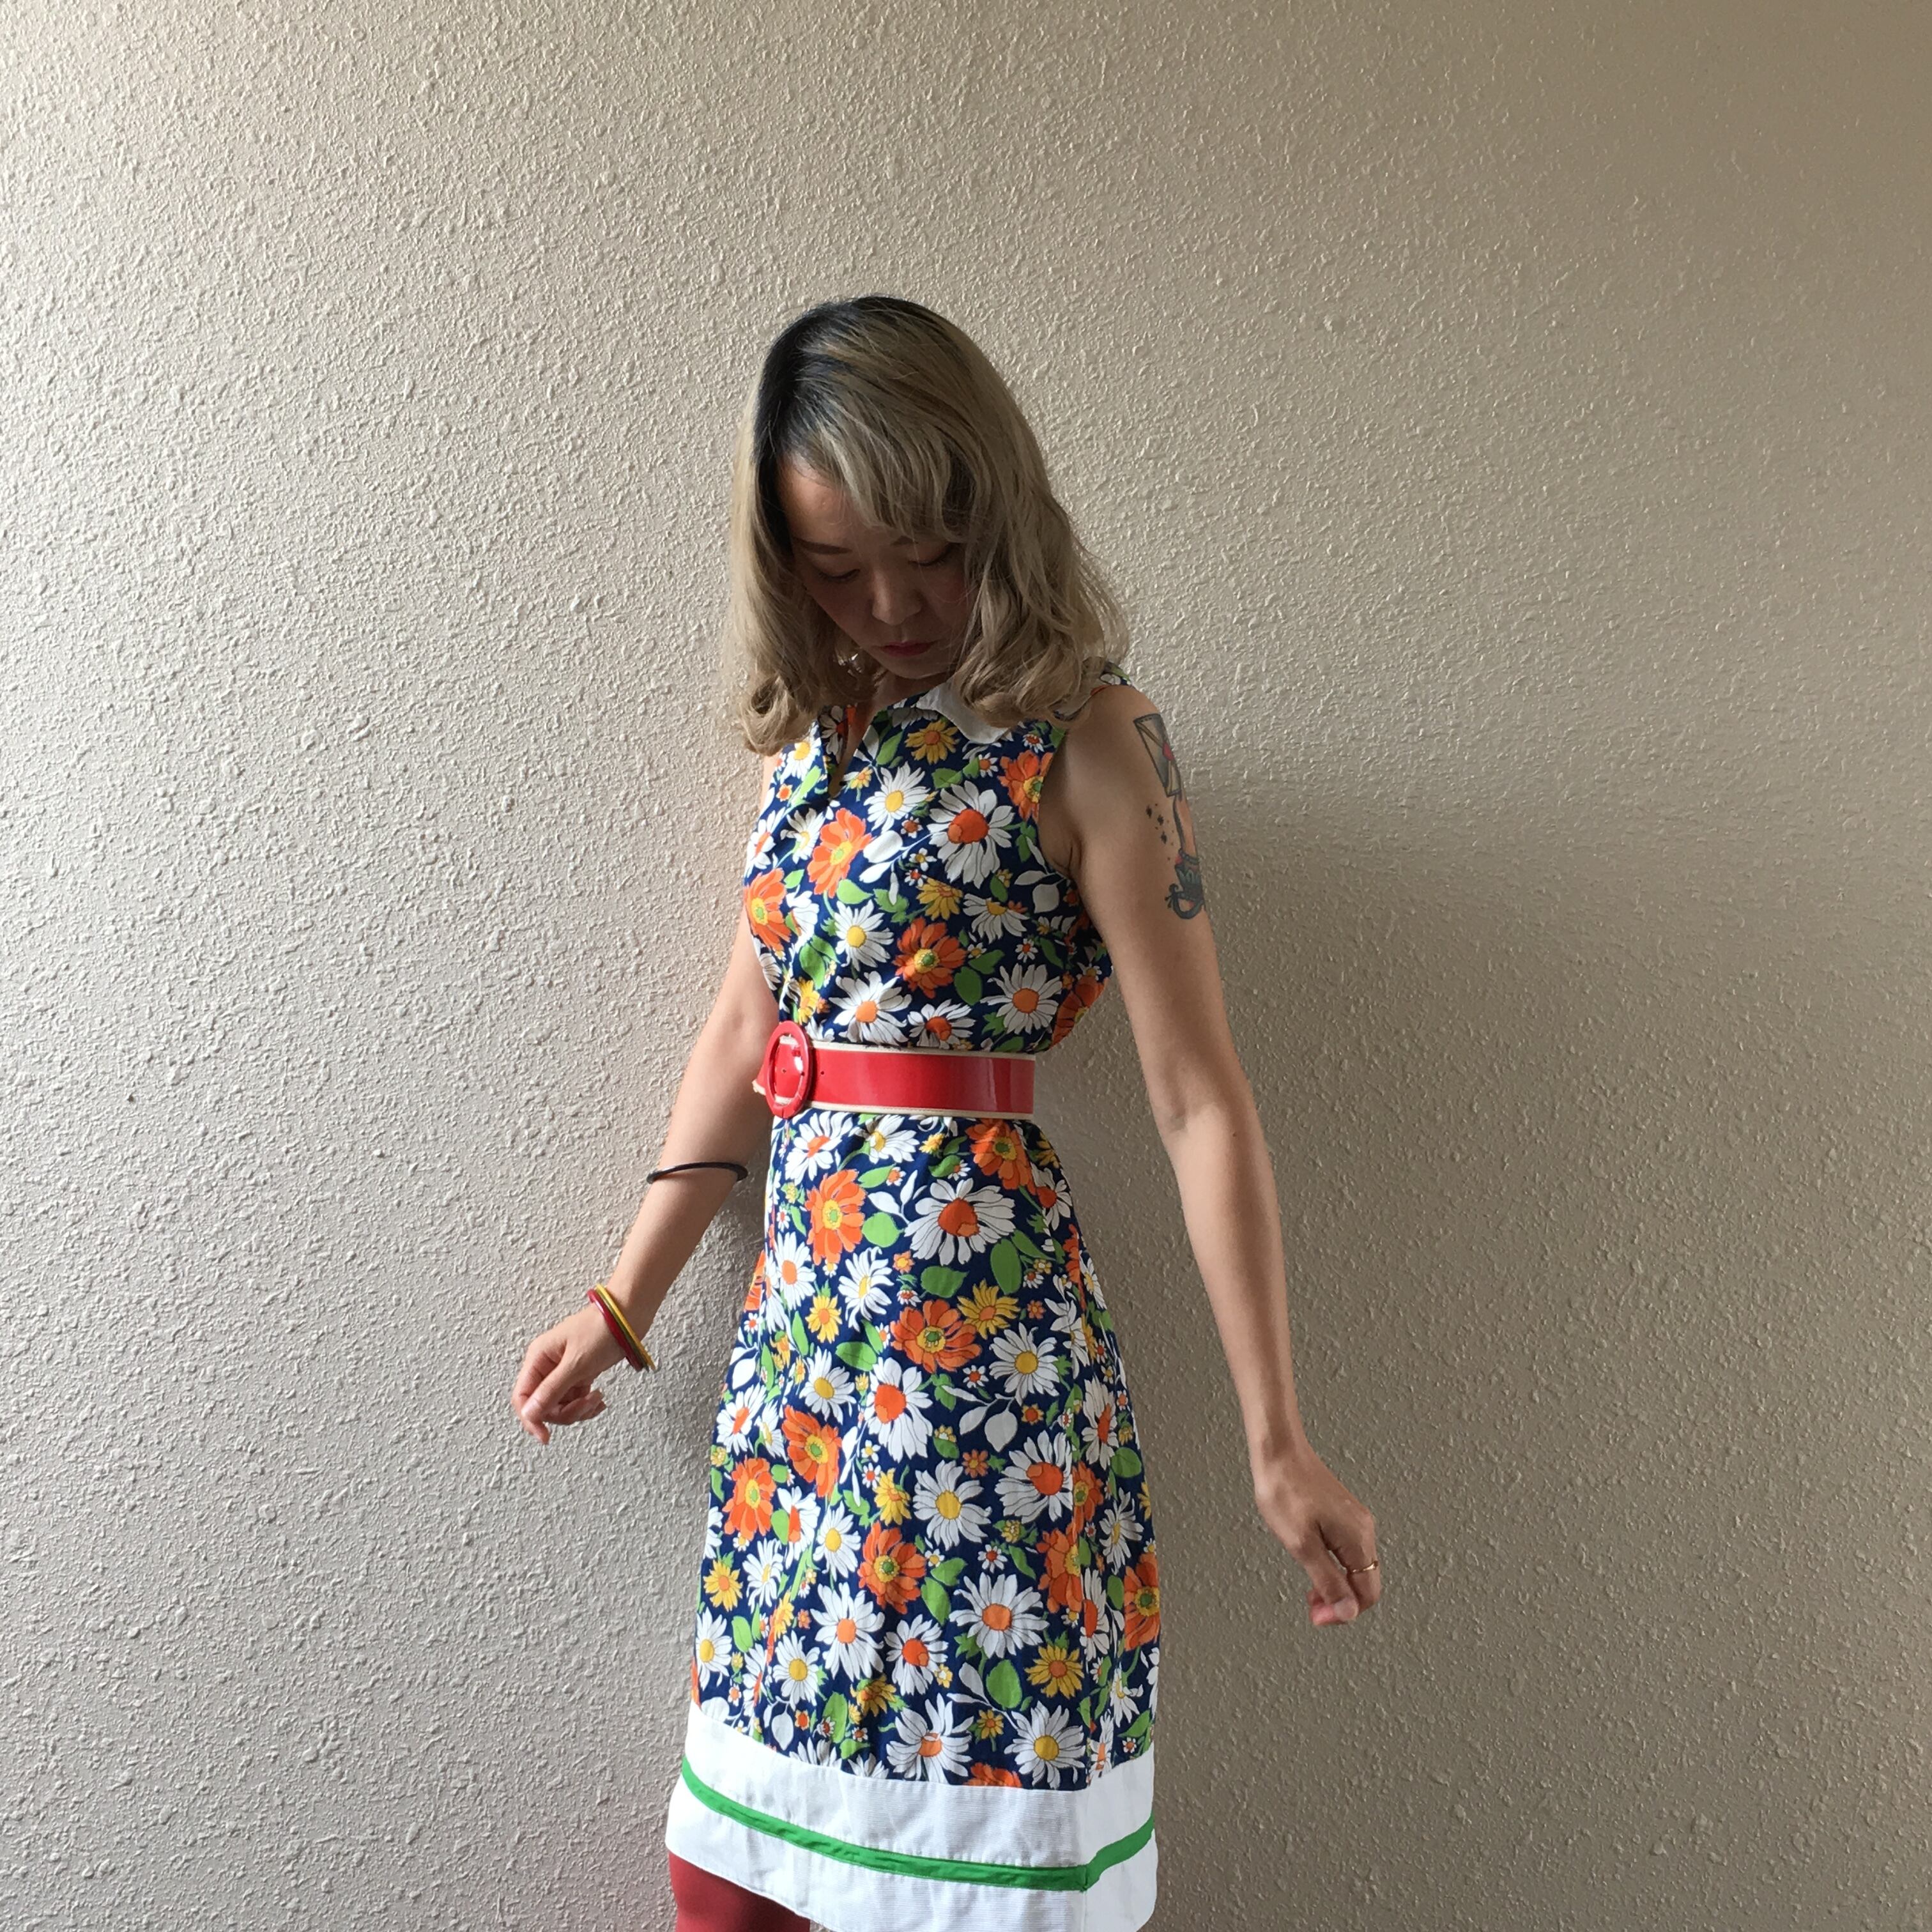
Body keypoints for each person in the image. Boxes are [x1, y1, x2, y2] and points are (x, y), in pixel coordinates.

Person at [510, 295, 1381, 1932]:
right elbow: (748, 1029)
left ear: (998, 509)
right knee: (733, 1872)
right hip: (801, 1370)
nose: (893, 606)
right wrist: (624, 1302)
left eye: (926, 551)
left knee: (970, 1855)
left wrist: (1280, 1438)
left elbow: (1199, 1100)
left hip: (980, 1367)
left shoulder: (1095, 742)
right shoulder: (811, 743)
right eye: (837, 568)